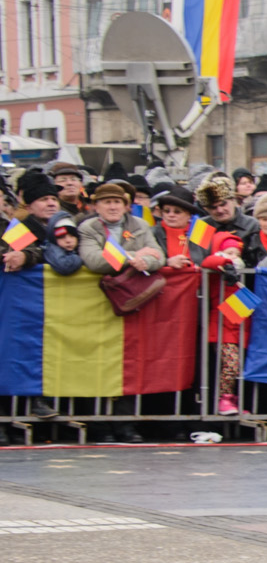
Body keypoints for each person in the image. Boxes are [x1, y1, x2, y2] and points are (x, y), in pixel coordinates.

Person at [78, 181, 164, 444]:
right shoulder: (88, 227)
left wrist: (146, 260)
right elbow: (93, 260)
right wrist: (131, 257)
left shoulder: (139, 225)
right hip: (93, 305)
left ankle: (126, 424)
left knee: (127, 365)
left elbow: (157, 255)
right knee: (96, 363)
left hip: (130, 304)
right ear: (96, 206)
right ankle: (99, 425)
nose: (113, 206)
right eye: (107, 202)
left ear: (127, 205)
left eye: (118, 202)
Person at [2, 170, 64, 273]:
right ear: (29, 208)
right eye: (44, 199)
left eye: (54, 199)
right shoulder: (16, 230)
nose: (51, 204)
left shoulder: (69, 225)